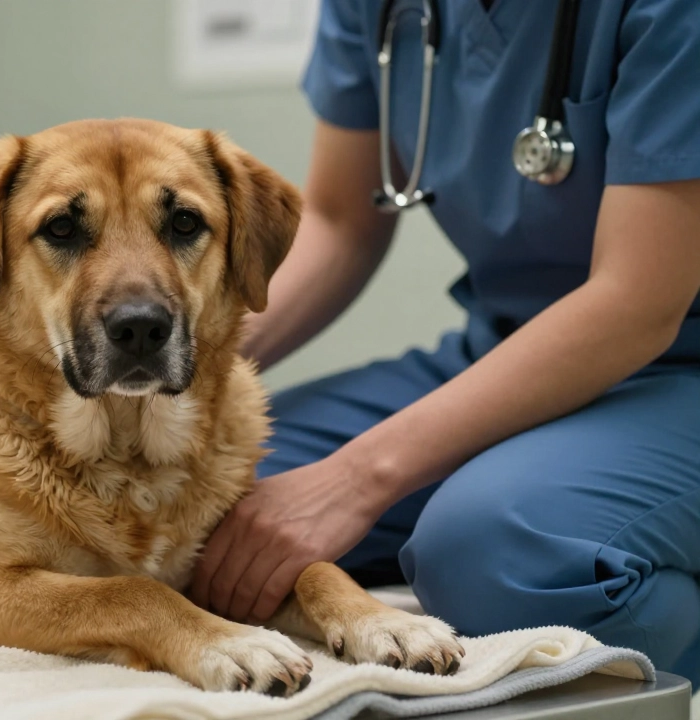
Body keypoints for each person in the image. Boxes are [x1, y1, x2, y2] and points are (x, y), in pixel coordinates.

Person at [190, 0, 700, 685]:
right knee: (197, 488)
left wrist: (354, 481)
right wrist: (179, 368)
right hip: (503, 350)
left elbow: (636, 302)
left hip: (676, 367)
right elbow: (341, 223)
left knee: (487, 553)